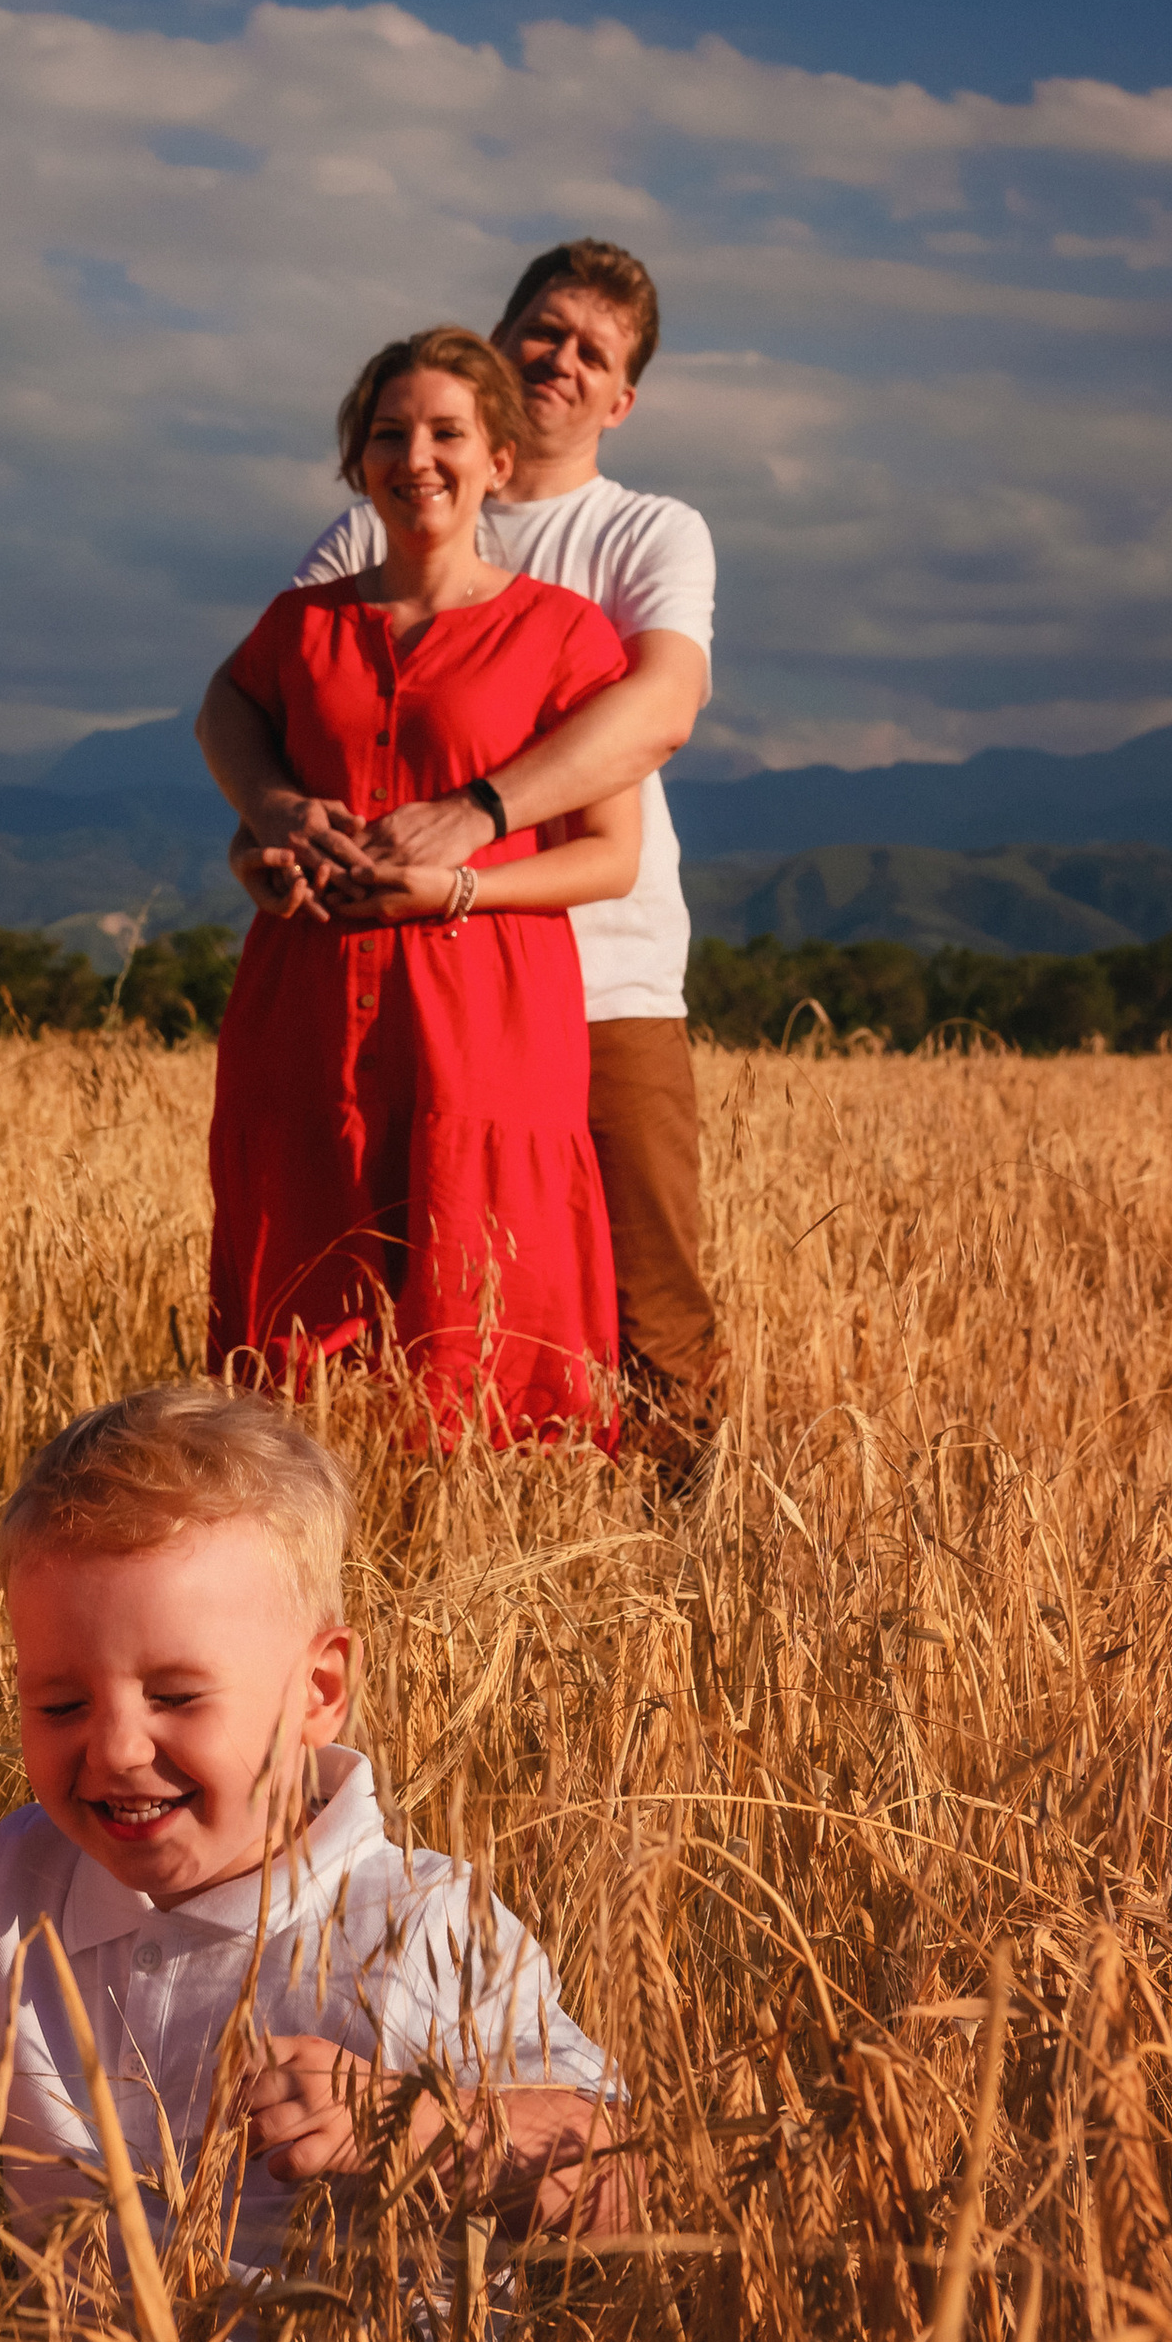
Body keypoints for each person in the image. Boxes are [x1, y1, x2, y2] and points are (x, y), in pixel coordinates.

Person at [0, 1385, 629, 2307]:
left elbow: (631, 2186)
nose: (113, 1748)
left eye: (177, 1697)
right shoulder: (30, 1885)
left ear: (317, 1689)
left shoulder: (421, 1928)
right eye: (61, 1705)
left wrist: (431, 2126)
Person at [203, 238, 723, 1464]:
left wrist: (478, 820)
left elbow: (657, 714)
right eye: (543, 330)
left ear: (621, 400)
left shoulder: (643, 536)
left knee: (629, 1305)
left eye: (593, 352)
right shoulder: (357, 540)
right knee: (367, 1269)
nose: (560, 360)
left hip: (600, 969)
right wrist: (269, 827)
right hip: (379, 977)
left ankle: (669, 1566)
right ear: (500, 343)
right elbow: (274, 711)